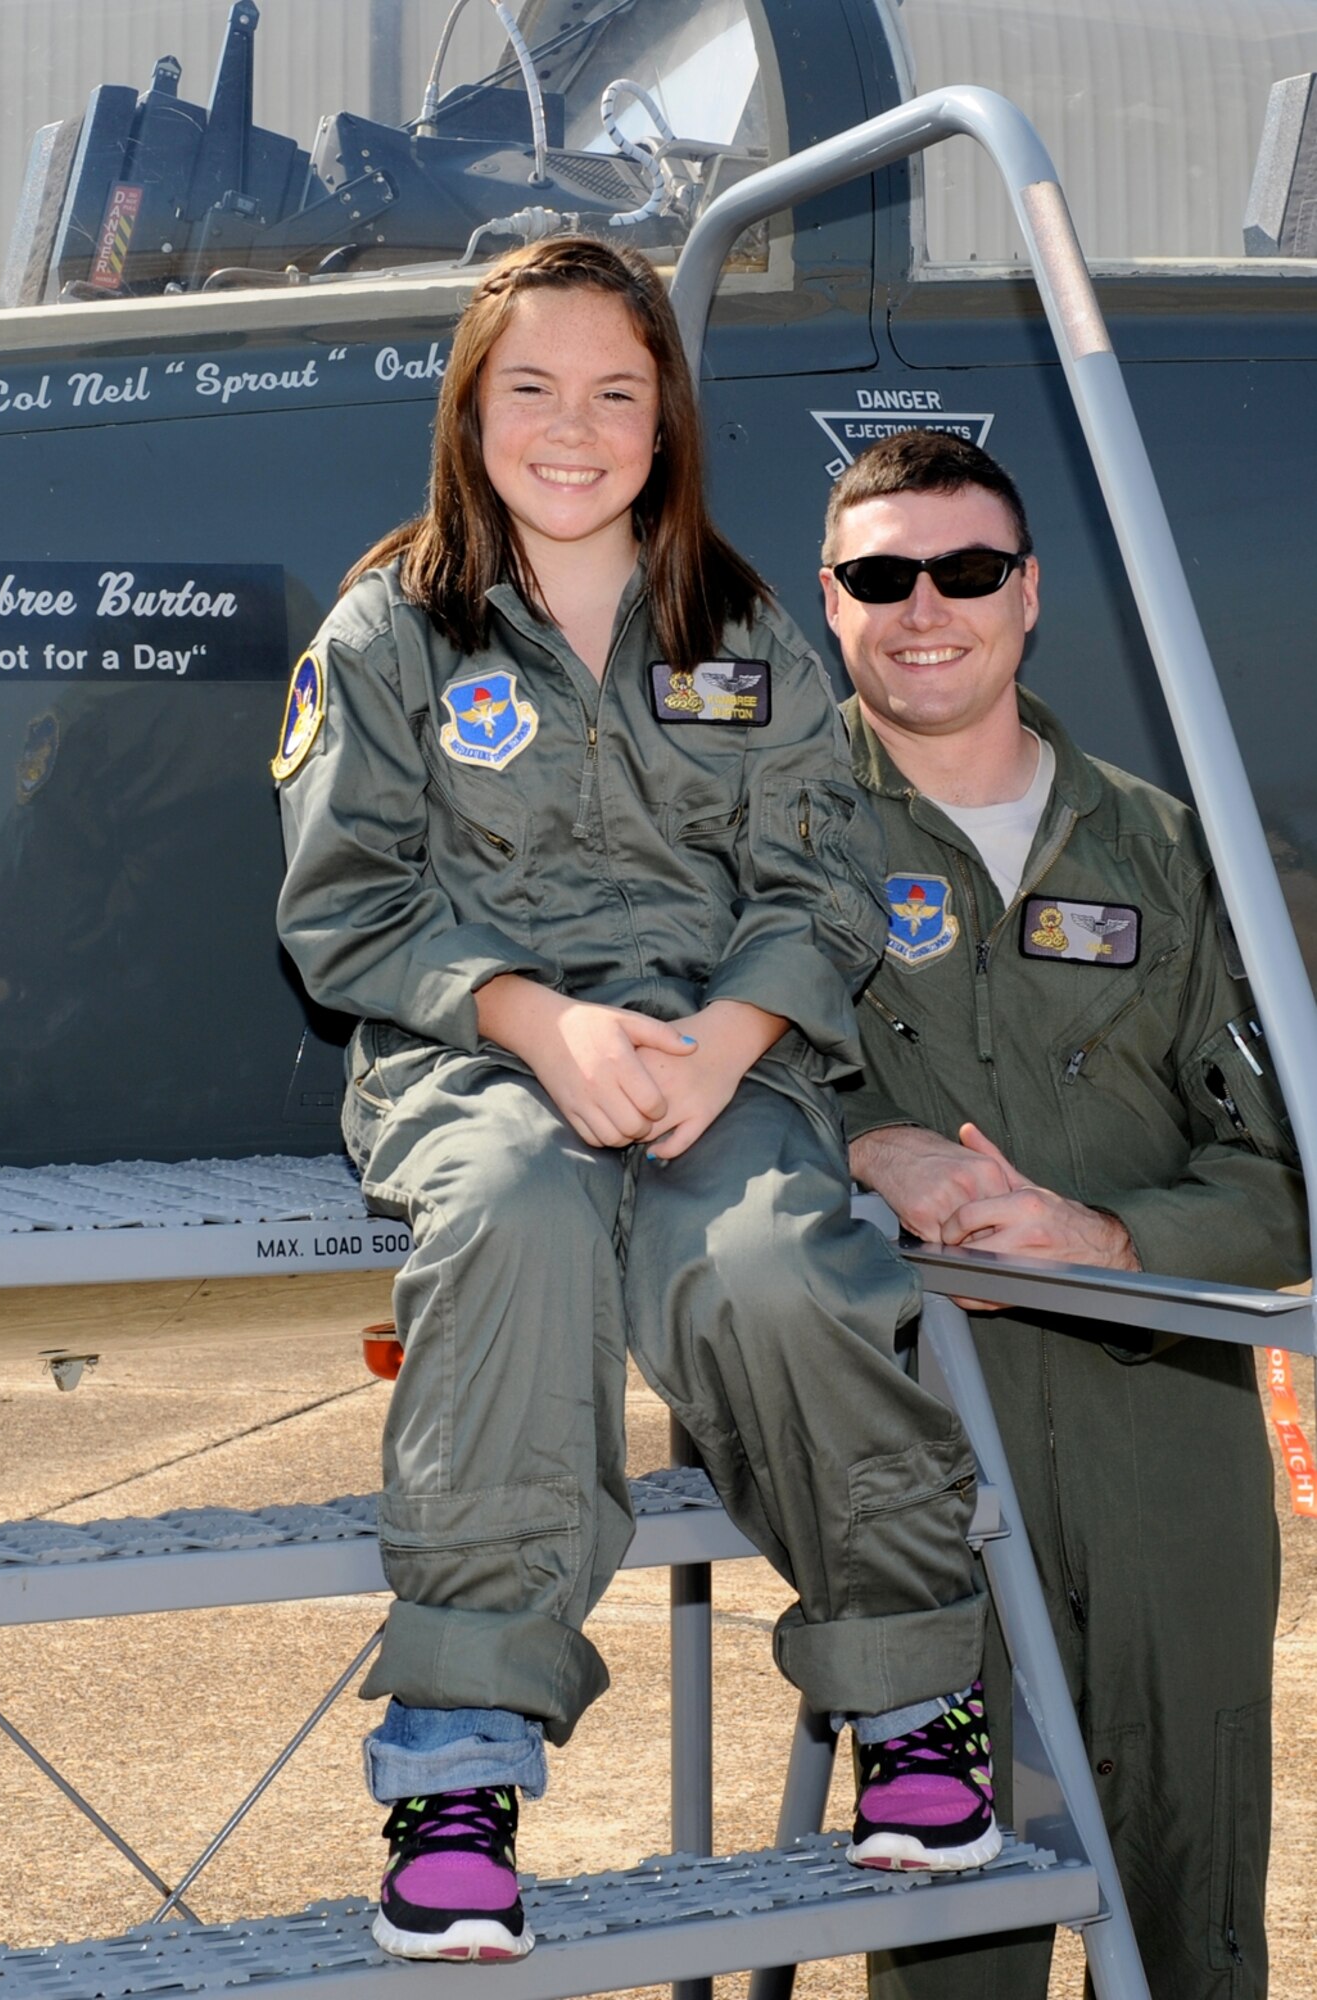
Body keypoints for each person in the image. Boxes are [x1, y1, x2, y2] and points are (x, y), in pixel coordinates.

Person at [273, 239, 994, 1965]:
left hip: (715, 1056)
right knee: (515, 1218)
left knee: (773, 1261)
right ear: (471, 410)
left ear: (666, 418)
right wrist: (539, 1028)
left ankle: (906, 1700)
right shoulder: (389, 633)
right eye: (531, 387)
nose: (573, 427)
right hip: (478, 1058)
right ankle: (458, 1763)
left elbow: (820, 883)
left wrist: (733, 1042)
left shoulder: (741, 630)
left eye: (616, 390)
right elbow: (347, 906)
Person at [820, 428, 1307, 2000]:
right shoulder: (766, 843)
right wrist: (869, 1148)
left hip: (1162, 1440)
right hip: (905, 1447)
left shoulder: (1175, 853)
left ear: (1024, 595)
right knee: (953, 1928)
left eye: (964, 570)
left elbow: (1286, 1174)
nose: (924, 607)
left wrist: (1107, 1245)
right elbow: (684, 1101)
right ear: (830, 603)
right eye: (880, 576)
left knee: (1190, 1913)